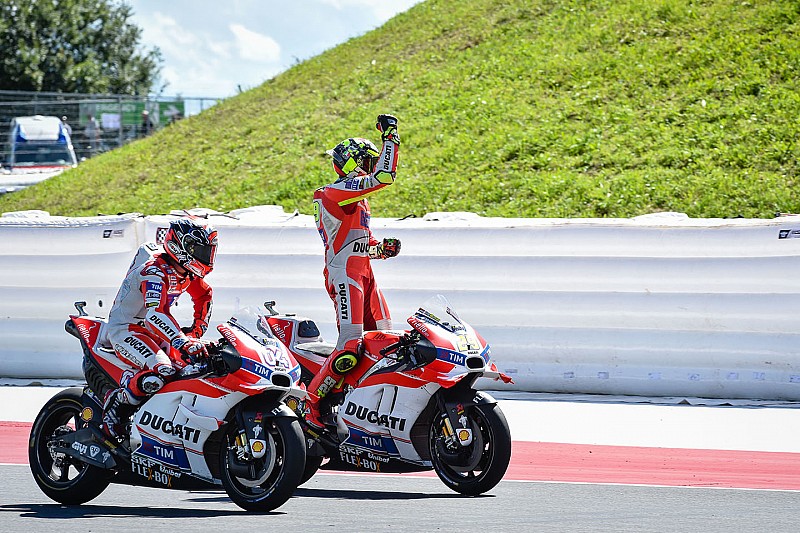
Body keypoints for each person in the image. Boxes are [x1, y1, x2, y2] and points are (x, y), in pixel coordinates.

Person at [306, 114, 401, 429]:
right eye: (367, 160)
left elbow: (362, 245)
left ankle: (363, 404)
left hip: (364, 272)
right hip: (345, 272)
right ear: (351, 162)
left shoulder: (358, 201)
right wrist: (390, 137)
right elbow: (385, 176)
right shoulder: (332, 192)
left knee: (386, 340)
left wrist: (380, 250)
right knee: (350, 344)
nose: (373, 165)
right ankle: (312, 403)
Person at [101, 217, 218, 440]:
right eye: (201, 249)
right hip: (127, 329)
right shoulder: (154, 272)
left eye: (208, 250)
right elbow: (156, 314)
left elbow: (204, 295)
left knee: (192, 367)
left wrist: (196, 332)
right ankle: (116, 408)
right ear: (181, 247)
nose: (207, 256)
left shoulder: (185, 272)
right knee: (163, 370)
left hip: (153, 332)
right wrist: (182, 340)